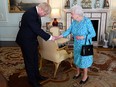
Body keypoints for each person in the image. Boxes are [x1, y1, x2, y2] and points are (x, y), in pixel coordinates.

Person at [16, 2, 55, 87]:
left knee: (35, 59)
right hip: (25, 41)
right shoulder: (30, 14)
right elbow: (37, 29)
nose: (45, 15)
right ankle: (32, 81)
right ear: (41, 9)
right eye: (45, 13)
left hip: (32, 40)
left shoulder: (36, 12)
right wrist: (50, 37)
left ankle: (37, 76)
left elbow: (37, 29)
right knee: (29, 61)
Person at [55, 5, 96, 84]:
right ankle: (78, 73)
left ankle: (85, 76)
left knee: (84, 61)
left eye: (72, 13)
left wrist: (83, 37)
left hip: (85, 45)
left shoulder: (87, 21)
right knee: (77, 59)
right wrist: (59, 36)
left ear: (77, 14)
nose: (71, 15)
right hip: (76, 44)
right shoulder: (74, 21)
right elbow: (69, 30)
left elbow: (93, 34)